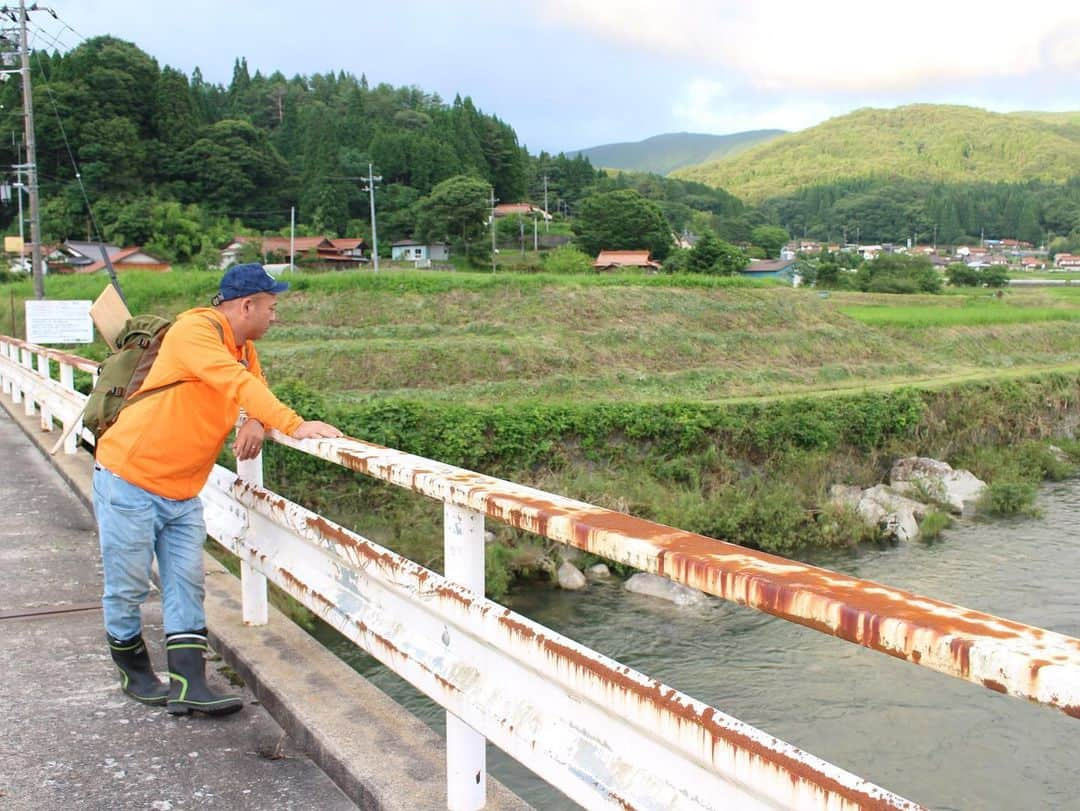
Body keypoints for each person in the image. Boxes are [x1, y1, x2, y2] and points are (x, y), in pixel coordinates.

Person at [93, 263, 342, 716]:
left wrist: (254, 419)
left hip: (183, 489)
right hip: (129, 477)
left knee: (187, 583)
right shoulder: (195, 332)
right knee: (128, 585)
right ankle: (133, 669)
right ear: (247, 304)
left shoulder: (243, 348)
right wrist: (294, 424)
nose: (274, 316)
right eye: (272, 307)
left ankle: (190, 682)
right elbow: (235, 383)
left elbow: (253, 388)